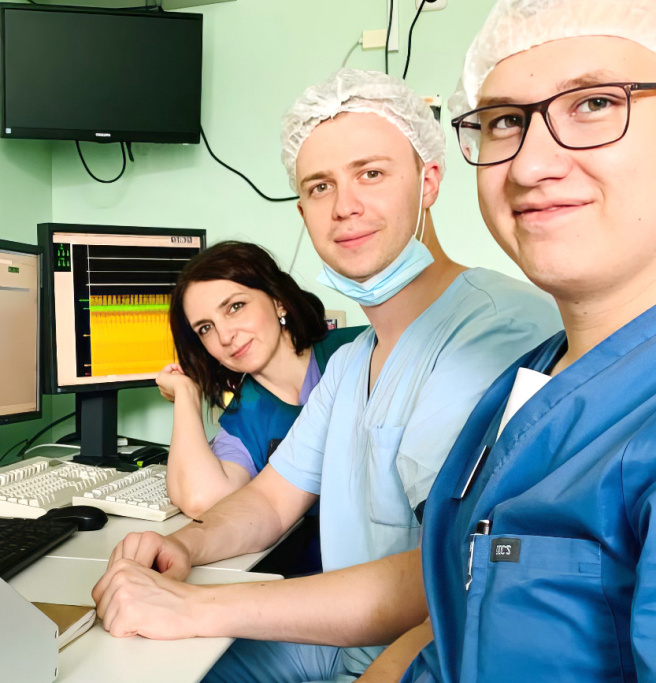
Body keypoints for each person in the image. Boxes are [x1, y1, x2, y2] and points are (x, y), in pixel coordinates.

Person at [92, 68, 562, 682]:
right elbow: (269, 500)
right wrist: (184, 546)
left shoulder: (494, 331)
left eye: (371, 174)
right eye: (320, 186)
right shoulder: (349, 364)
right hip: (344, 640)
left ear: (428, 181)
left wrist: (195, 606)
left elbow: (452, 572)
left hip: (428, 651)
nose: (345, 207)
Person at [394, 1, 656, 680]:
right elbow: (464, 629)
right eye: (505, 120)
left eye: (595, 103)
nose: (530, 165)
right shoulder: (529, 383)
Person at [158, 240, 362, 518]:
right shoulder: (245, 416)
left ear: (278, 301)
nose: (225, 336)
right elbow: (201, 500)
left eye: (235, 306)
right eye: (205, 328)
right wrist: (185, 393)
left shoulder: (362, 350)